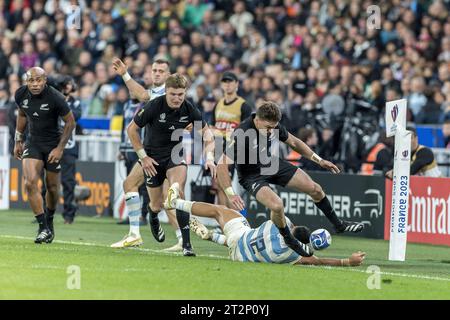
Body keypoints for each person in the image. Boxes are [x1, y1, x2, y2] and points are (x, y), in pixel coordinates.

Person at [216, 101, 364, 257]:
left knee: (315, 188)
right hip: (251, 176)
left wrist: (319, 160)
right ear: (257, 120)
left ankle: (338, 224)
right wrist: (230, 193)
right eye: (268, 128)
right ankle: (289, 239)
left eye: (274, 128)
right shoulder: (242, 133)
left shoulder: (271, 126)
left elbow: (294, 142)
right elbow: (222, 165)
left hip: (270, 163)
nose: (270, 132)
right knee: (277, 205)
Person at [112, 74, 217, 256]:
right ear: (166, 92)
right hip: (152, 157)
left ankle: (186, 245)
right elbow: (132, 129)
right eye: (173, 94)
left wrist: (209, 157)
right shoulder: (154, 105)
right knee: (156, 204)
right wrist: (143, 157)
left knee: (178, 193)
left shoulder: (190, 109)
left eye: (180, 94)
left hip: (175, 156)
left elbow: (208, 135)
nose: (177, 98)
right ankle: (152, 214)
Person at [165, 182, 366, 266]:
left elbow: (278, 214)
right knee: (244, 243)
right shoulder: (293, 254)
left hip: (242, 236)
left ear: (293, 228)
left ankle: (176, 203)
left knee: (220, 211)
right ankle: (211, 236)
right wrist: (347, 261)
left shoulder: (280, 223)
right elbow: (317, 261)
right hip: (239, 255)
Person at [111, 58, 183, 251]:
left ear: (169, 75)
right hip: (153, 152)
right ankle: (138, 234)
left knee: (169, 200)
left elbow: (141, 94)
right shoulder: (159, 93)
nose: (157, 73)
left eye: (161, 71)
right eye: (154, 70)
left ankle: (189, 236)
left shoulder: (167, 93)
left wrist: (125, 75)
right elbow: (141, 94)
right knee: (135, 187)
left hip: (168, 154)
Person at [13, 67, 75, 243]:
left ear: (45, 80)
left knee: (53, 188)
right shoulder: (20, 94)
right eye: (31, 81)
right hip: (33, 143)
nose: (34, 84)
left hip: (53, 144)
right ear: (26, 81)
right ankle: (42, 227)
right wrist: (18, 139)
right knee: (30, 182)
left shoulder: (56, 97)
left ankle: (49, 220)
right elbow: (22, 113)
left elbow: (70, 123)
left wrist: (60, 149)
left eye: (38, 80)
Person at [211, 71, 253, 209]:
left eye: (230, 82)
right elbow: (212, 125)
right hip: (217, 147)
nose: (227, 85)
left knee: (227, 185)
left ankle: (232, 217)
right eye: (225, 82)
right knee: (218, 185)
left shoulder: (243, 105)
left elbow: (248, 130)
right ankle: (225, 217)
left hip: (233, 149)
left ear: (237, 84)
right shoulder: (218, 104)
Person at [117, 78, 150, 227]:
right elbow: (124, 127)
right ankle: (133, 215)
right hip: (127, 149)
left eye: (133, 90)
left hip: (139, 149)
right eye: (129, 90)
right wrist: (121, 147)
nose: (131, 92)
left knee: (143, 185)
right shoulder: (126, 106)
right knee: (130, 183)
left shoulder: (145, 106)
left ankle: (143, 215)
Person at [53, 75, 82, 224]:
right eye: (64, 84)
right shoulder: (53, 100)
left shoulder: (75, 102)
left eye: (69, 84)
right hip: (52, 145)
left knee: (68, 182)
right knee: (48, 180)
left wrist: (63, 104)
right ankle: (45, 212)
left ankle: (69, 214)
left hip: (69, 147)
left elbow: (75, 116)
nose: (67, 87)